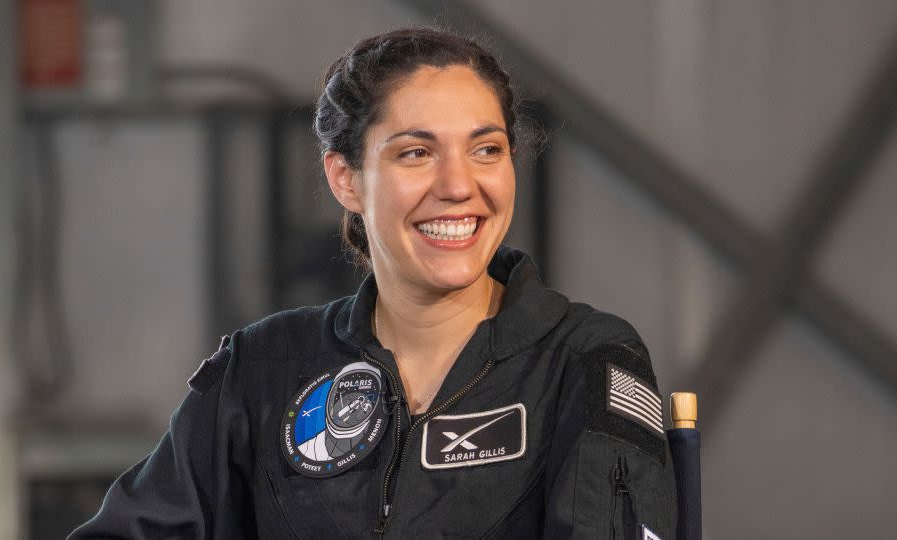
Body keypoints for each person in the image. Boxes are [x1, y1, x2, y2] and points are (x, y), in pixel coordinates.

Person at [70, 27, 676, 539]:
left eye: (486, 149)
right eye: (416, 153)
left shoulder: (587, 361)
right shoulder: (262, 370)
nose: (458, 185)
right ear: (346, 178)